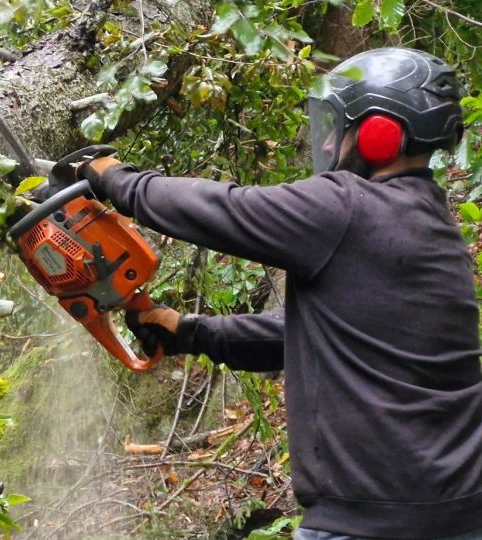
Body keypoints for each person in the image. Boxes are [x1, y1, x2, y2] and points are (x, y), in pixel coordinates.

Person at [71, 47, 482, 539]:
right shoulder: (433, 224)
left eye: (340, 125)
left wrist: (115, 179)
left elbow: (223, 210)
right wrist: (190, 332)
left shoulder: (346, 206)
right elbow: (319, 337)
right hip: (458, 511)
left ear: (380, 133)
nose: (329, 138)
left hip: (371, 520)